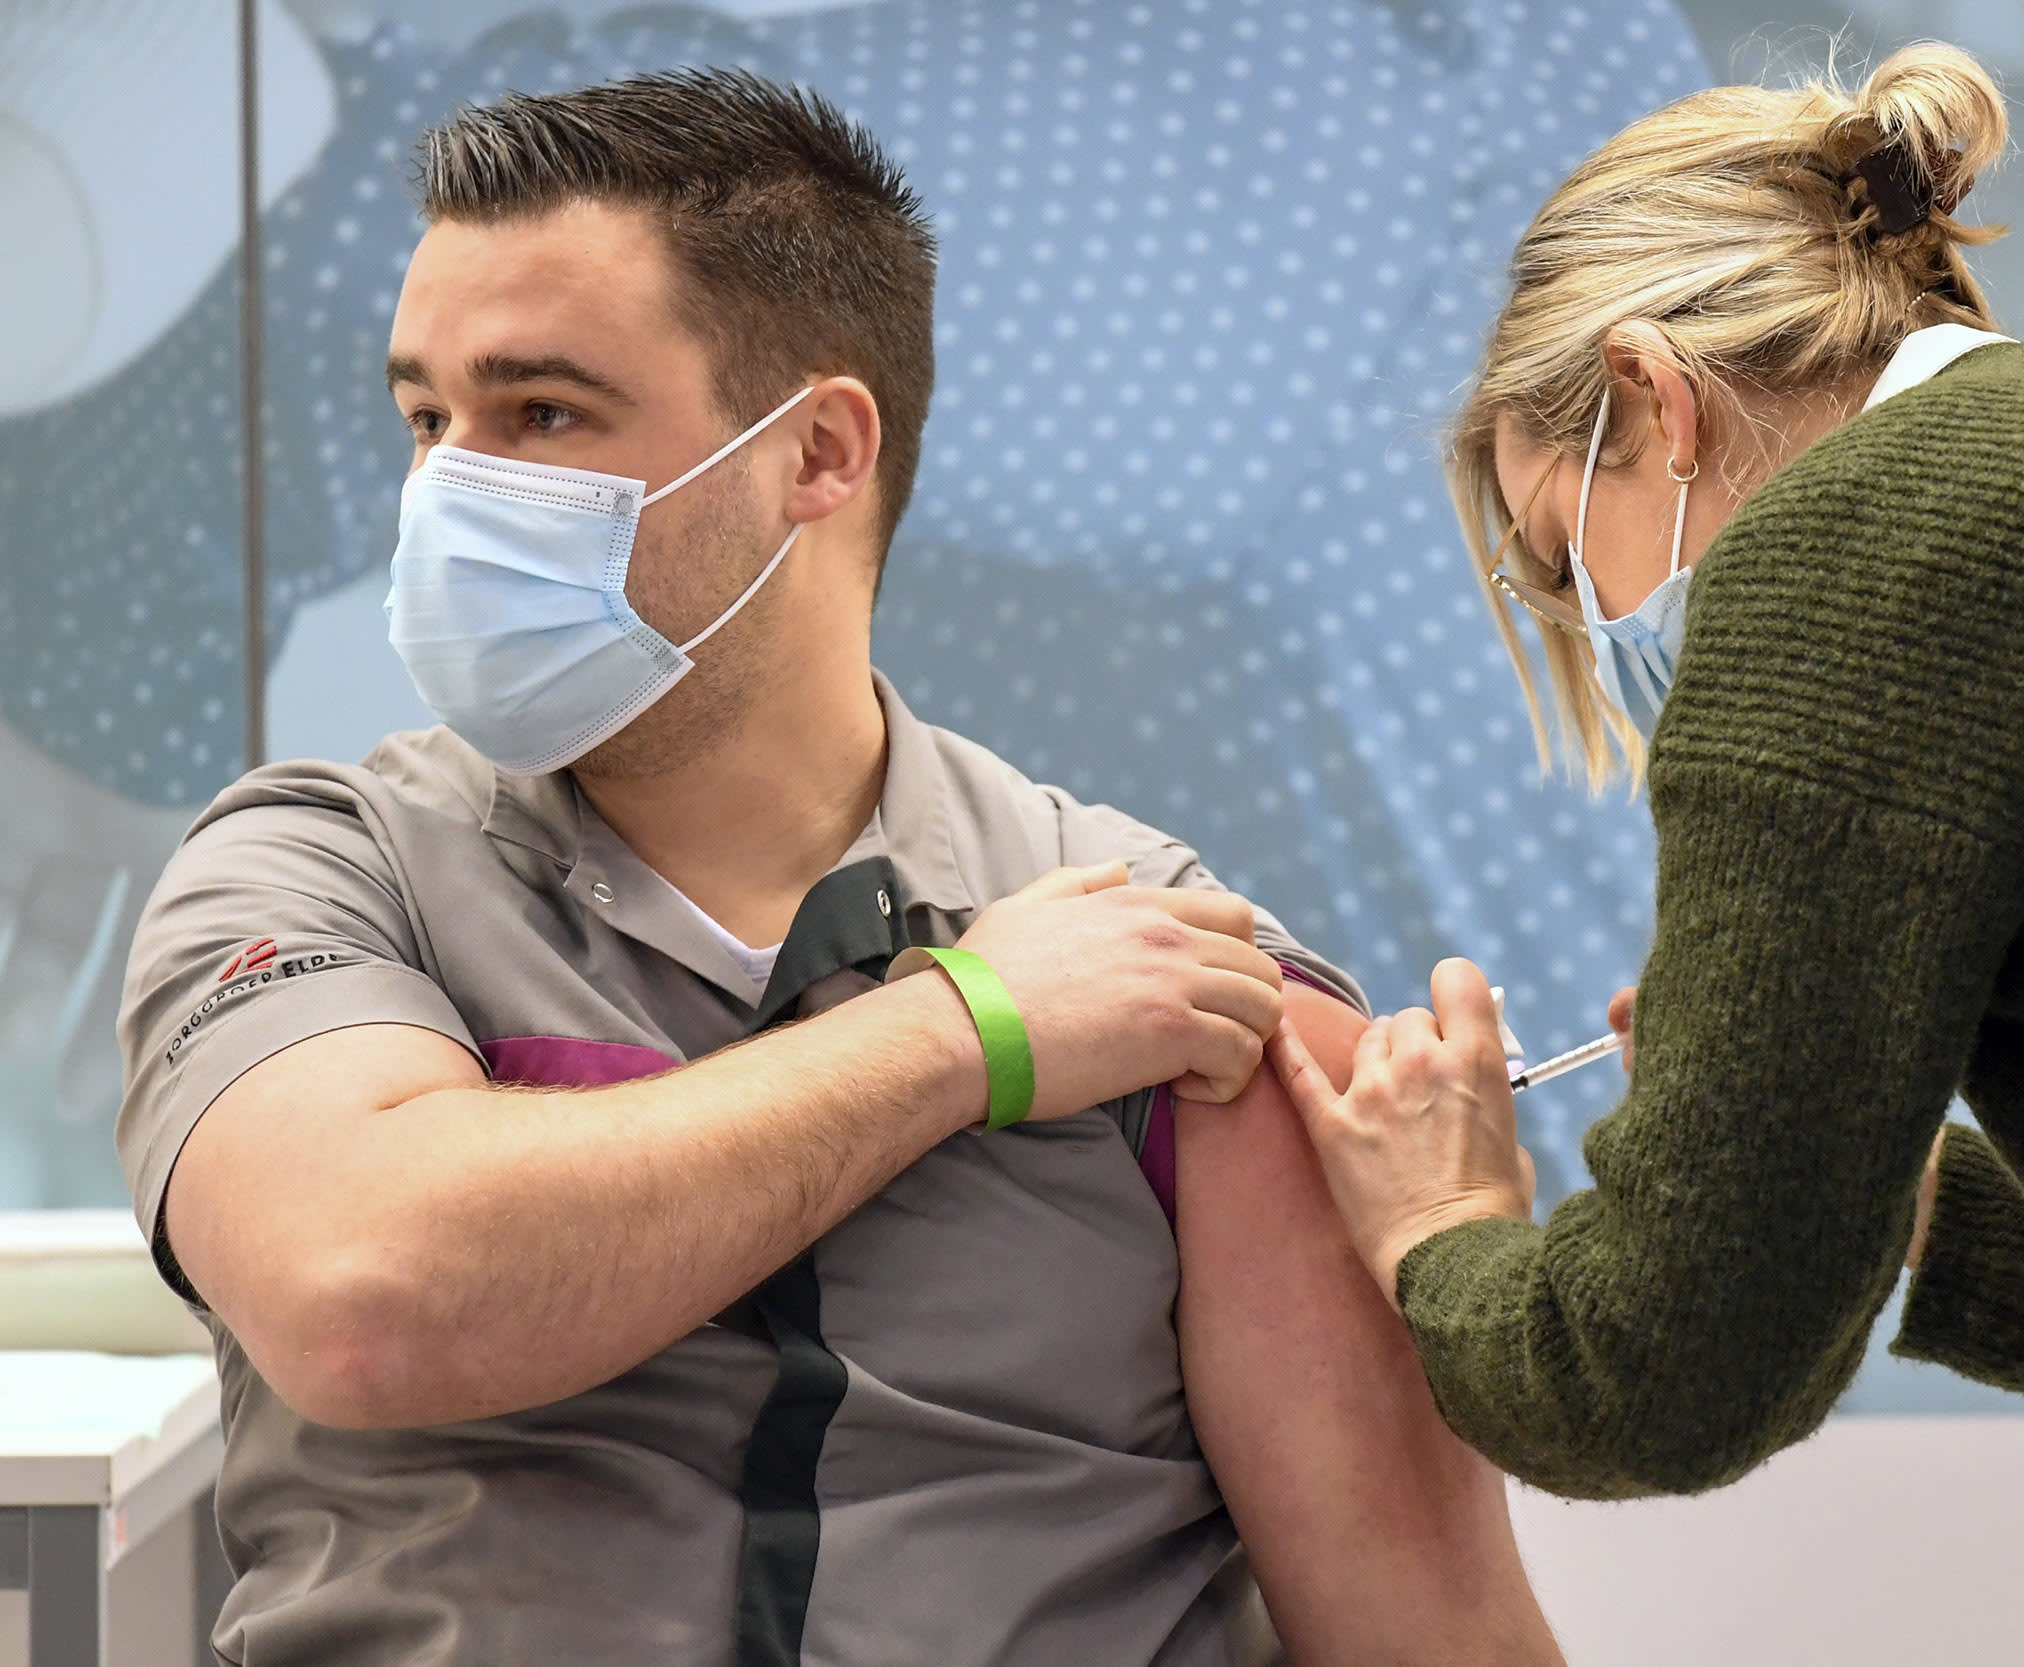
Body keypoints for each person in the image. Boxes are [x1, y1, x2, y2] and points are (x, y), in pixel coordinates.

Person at [115, 71, 1557, 1667]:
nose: (454, 493)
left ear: (816, 451)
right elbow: (363, 1295)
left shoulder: (1165, 969)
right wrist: (968, 1033)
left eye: (542, 416)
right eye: (426, 421)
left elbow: (1429, 1633)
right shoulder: (315, 876)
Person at [1269, 40, 2024, 1667]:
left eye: (1568, 555)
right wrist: (1900, 1207)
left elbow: (1660, 1376)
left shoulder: (1834, 563)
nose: (1600, 628)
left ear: (1654, 393)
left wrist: (1443, 1232)